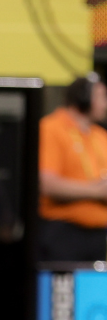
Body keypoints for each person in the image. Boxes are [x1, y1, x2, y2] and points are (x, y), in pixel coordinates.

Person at [38, 73, 107, 262]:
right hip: (63, 234)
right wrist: (97, 191)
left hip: (99, 236)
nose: (105, 105)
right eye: (102, 97)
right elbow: (47, 185)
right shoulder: (50, 128)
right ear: (83, 97)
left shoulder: (101, 136)